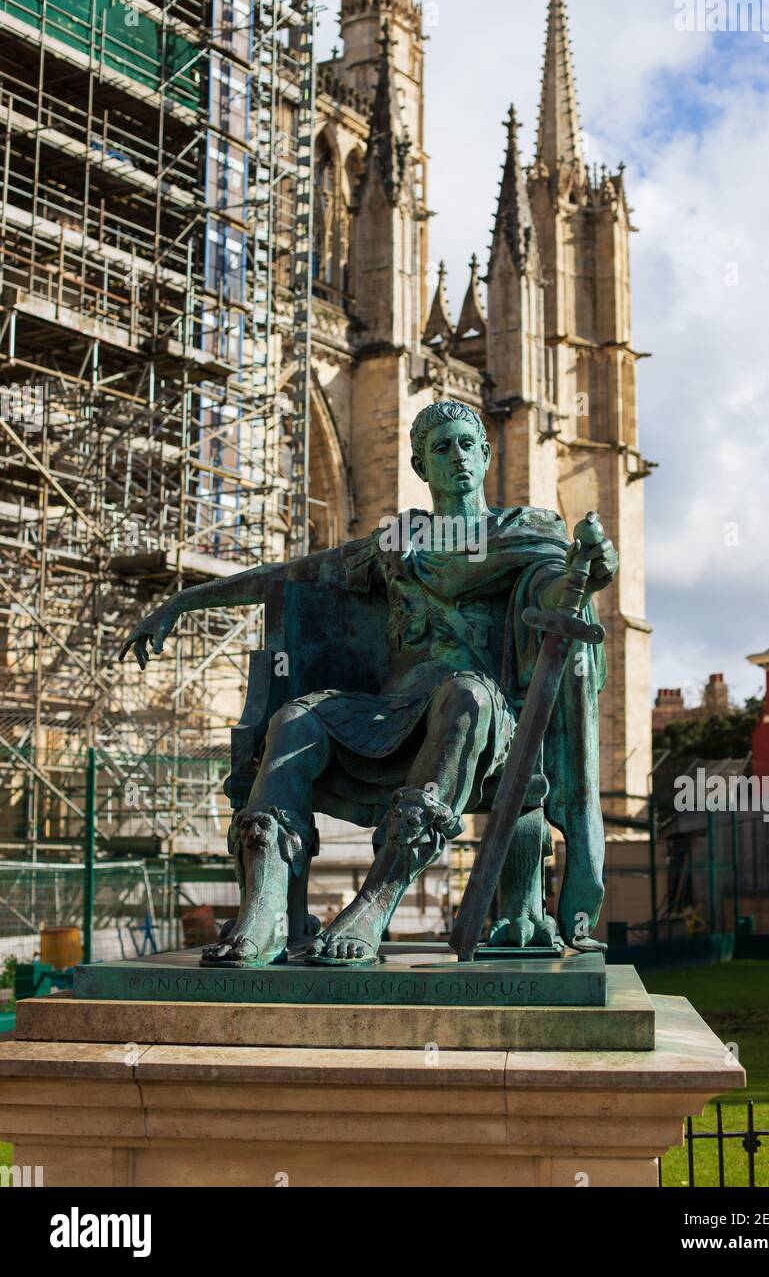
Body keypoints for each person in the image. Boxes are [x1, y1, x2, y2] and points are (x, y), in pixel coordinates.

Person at [120, 400, 617, 965]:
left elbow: (555, 595)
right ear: (419, 466)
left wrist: (586, 574)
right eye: (441, 447)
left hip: (483, 723)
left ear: (485, 455)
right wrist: (184, 600)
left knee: (465, 696)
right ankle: (265, 913)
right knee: (294, 721)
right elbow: (293, 575)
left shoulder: (524, 531)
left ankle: (375, 901)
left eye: (466, 444)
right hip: (394, 715)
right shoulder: (397, 542)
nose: (456, 455)